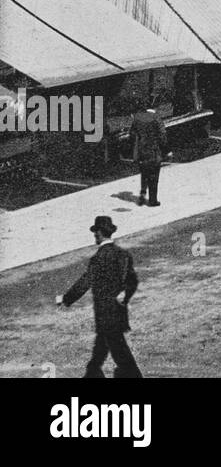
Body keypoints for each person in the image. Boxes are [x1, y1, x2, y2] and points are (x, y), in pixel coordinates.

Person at [59, 216, 141, 378]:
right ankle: (92, 373)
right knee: (101, 350)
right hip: (118, 311)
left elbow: (85, 282)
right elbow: (132, 281)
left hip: (105, 313)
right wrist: (124, 297)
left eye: (95, 233)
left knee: (120, 353)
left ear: (98, 233)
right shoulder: (123, 254)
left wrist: (66, 299)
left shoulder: (99, 258)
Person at [129, 100, 167, 207]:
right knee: (154, 176)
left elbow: (132, 134)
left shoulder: (137, 119)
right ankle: (152, 200)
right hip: (154, 151)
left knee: (144, 172)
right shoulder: (156, 118)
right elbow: (162, 135)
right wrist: (165, 149)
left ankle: (143, 192)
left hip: (142, 150)